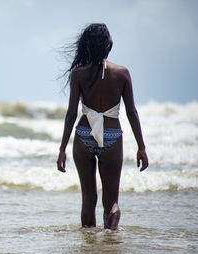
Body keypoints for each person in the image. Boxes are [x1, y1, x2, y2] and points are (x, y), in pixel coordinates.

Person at [56, 23, 148, 230]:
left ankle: (89, 245)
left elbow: (71, 113)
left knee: (88, 197)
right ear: (110, 45)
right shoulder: (122, 73)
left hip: (84, 135)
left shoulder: (79, 74)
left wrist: (62, 149)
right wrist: (141, 147)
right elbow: (131, 112)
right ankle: (112, 222)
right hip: (112, 135)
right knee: (111, 199)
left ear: (87, 47)